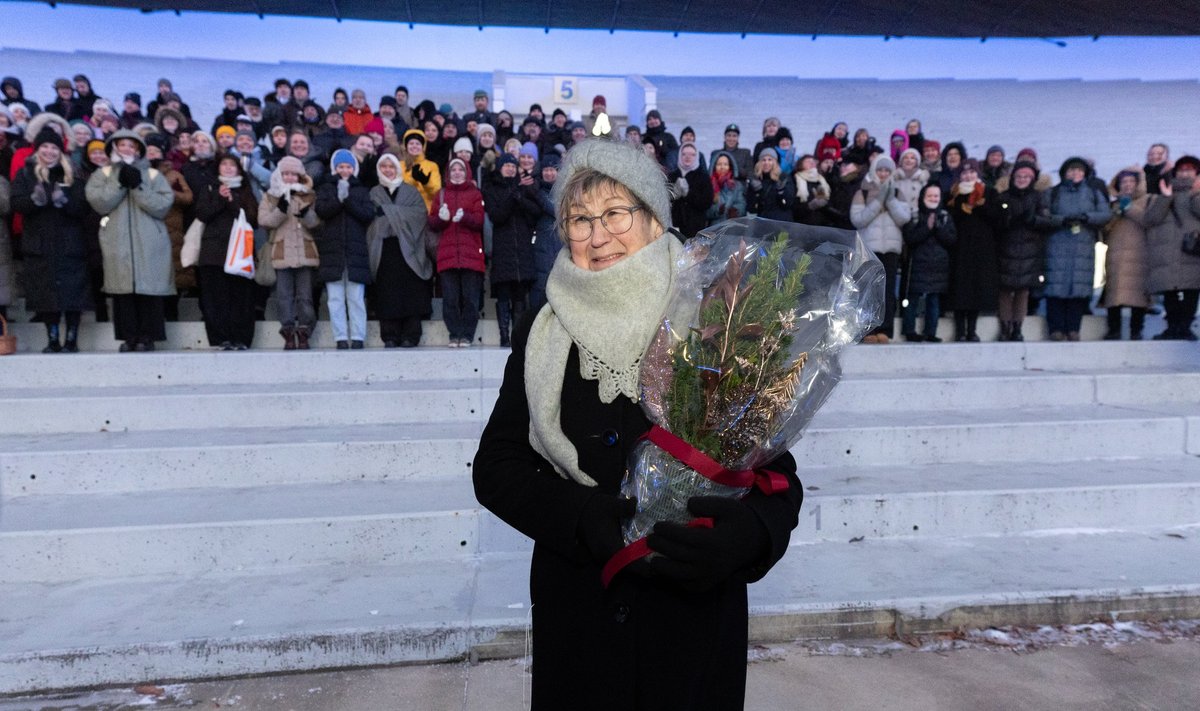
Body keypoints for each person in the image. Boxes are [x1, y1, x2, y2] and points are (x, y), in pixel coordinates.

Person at [472, 139, 802, 710]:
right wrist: (581, 519)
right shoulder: (542, 328)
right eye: (579, 219)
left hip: (692, 620)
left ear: (653, 221)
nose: (598, 236)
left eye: (616, 213)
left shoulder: (715, 314)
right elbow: (496, 468)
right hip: (582, 615)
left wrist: (747, 538)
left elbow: (778, 474)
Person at [85, 130, 175, 351]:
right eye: (121, 145)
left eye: (131, 146)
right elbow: (100, 203)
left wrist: (138, 187)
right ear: (113, 148)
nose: (126, 149)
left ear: (138, 150)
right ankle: (129, 337)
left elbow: (162, 206)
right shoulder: (103, 174)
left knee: (149, 290)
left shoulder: (153, 176)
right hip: (117, 240)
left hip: (150, 241)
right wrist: (119, 183)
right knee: (122, 291)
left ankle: (148, 336)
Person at [12, 127, 92, 352]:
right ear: (38, 150)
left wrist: (65, 201)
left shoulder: (72, 175)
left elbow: (82, 208)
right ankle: (53, 338)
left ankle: (72, 339)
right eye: (45, 147)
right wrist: (34, 201)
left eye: (54, 147)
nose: (49, 151)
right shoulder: (26, 174)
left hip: (69, 243)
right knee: (45, 292)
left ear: (61, 151)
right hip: (39, 243)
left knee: (73, 292)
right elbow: (16, 204)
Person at [1036, 157, 1111, 341]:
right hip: (1057, 244)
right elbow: (1041, 217)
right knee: (1055, 287)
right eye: (1071, 170)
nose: (1075, 174)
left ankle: (1073, 328)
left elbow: (1105, 214)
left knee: (1078, 288)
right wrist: (1060, 220)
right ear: (1064, 173)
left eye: (1079, 171)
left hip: (1082, 247)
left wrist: (1087, 217)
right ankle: (1056, 329)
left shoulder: (1093, 193)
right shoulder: (1053, 193)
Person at [194, 154, 260, 350]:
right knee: (215, 298)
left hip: (240, 252)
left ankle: (241, 338)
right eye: (224, 164)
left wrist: (232, 201)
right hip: (214, 253)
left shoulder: (246, 191)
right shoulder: (209, 188)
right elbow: (202, 214)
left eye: (233, 165)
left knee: (241, 298)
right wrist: (220, 199)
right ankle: (220, 338)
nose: (229, 168)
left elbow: (253, 220)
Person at [367, 154, 432, 348]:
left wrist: (388, 212)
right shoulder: (374, 192)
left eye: (391, 166)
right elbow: (370, 218)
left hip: (409, 249)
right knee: (387, 293)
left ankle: (411, 335)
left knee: (411, 293)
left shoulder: (411, 192)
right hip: (384, 249)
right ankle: (390, 335)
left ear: (397, 168)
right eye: (384, 166)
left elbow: (419, 214)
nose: (388, 170)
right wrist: (396, 214)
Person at [259, 155, 320, 349]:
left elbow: (318, 223)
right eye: (285, 173)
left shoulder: (309, 195)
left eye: (293, 174)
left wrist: (307, 215)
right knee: (284, 295)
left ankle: (304, 332)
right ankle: (287, 331)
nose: (289, 177)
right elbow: (264, 221)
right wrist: (281, 211)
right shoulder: (270, 196)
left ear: (300, 176)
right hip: (282, 250)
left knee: (305, 296)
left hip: (305, 250)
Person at [316, 149, 374, 349]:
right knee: (335, 298)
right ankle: (340, 337)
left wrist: (347, 200)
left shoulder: (361, 190)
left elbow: (367, 214)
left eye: (348, 167)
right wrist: (338, 200)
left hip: (355, 252)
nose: (344, 170)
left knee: (356, 298)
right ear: (334, 168)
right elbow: (322, 211)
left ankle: (358, 336)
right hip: (333, 251)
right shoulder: (326, 188)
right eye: (340, 167)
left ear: (354, 168)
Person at [1138, 154, 1200, 340]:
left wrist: (1196, 193)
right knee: (1170, 293)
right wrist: (1166, 197)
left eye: (1189, 170)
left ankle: (1185, 328)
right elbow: (1149, 219)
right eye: (1181, 170)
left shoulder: (1196, 195)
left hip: (1191, 252)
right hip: (1167, 252)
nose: (1184, 174)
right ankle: (1172, 328)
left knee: (1191, 291)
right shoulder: (1163, 194)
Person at [851, 154, 911, 343]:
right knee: (868, 291)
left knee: (888, 292)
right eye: (880, 169)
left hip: (891, 249)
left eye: (887, 170)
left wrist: (890, 200)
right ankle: (867, 329)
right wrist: (878, 201)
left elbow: (904, 218)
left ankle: (886, 330)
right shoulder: (863, 191)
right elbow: (858, 219)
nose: (883, 174)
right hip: (870, 248)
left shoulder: (898, 191)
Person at [429, 156, 486, 347]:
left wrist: (466, 218)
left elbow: (479, 222)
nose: (457, 172)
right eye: (453, 169)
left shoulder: (475, 194)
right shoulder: (441, 194)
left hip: (471, 255)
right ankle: (454, 334)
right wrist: (442, 218)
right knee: (450, 299)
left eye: (460, 169)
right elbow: (433, 223)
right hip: (448, 255)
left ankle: (467, 335)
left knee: (470, 299)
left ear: (466, 172)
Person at [484, 153, 540, 347]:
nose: (509, 168)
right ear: (499, 168)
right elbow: (497, 216)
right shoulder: (492, 188)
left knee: (520, 296)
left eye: (512, 165)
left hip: (522, 249)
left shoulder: (524, 187)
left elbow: (535, 213)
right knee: (503, 294)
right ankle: (503, 336)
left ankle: (518, 335)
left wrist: (520, 197)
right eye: (506, 165)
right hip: (503, 249)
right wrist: (512, 196)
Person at [946, 158, 1001, 342]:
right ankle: (960, 330)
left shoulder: (988, 193)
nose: (968, 175)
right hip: (959, 248)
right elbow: (952, 218)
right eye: (964, 172)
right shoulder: (953, 194)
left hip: (981, 249)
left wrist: (980, 205)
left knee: (976, 289)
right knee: (960, 289)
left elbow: (996, 219)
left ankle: (972, 329)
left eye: (971, 172)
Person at [995, 161, 1044, 342]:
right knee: (1005, 291)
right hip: (1006, 248)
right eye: (1019, 176)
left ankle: (1017, 327)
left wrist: (1034, 220)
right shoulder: (1004, 198)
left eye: (1026, 177)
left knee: (1023, 291)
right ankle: (1005, 327)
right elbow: (997, 222)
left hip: (1030, 250)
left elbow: (1046, 220)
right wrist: (1008, 220)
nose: (1022, 180)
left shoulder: (1038, 197)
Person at [1102, 168, 1151, 340]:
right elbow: (1105, 228)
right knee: (1114, 294)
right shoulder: (1113, 204)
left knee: (1138, 295)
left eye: (1131, 182)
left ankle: (1136, 330)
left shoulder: (1147, 201)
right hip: (1115, 254)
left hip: (1140, 254)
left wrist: (1129, 208)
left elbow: (1148, 221)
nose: (1128, 185)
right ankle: (1113, 329)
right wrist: (1116, 213)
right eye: (1124, 182)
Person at [902, 184, 955, 342]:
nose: (933, 199)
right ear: (922, 198)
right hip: (917, 264)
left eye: (936, 196)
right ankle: (909, 330)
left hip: (938, 265)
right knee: (912, 299)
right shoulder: (915, 215)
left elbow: (952, 240)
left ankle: (931, 332)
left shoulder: (945, 216)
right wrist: (927, 228)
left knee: (934, 300)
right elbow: (910, 238)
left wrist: (938, 228)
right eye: (929, 196)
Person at [666, 142, 713, 239]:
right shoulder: (672, 176)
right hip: (674, 225)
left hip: (695, 227)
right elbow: (664, 200)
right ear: (679, 155)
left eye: (692, 154)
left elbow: (707, 202)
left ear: (697, 156)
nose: (687, 157)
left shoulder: (703, 177)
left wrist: (688, 194)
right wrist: (673, 194)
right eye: (684, 154)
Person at [746, 148, 795, 222]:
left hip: (782, 223)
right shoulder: (755, 180)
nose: (766, 163)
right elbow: (751, 208)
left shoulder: (783, 177)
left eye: (770, 159)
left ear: (775, 162)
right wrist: (756, 193)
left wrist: (781, 192)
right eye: (763, 160)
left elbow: (788, 204)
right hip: (762, 223)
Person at [400, 128, 441, 210]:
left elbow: (437, 193)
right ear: (406, 146)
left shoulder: (432, 166)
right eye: (411, 143)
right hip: (403, 209)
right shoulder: (399, 165)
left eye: (418, 144)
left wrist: (426, 183)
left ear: (423, 147)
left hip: (425, 210)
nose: (414, 146)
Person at [706, 151, 746, 227]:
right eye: (719, 164)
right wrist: (718, 210)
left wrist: (736, 210)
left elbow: (742, 203)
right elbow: (705, 210)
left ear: (730, 166)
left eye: (725, 164)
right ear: (714, 166)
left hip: (733, 228)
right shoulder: (708, 185)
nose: (722, 167)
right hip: (712, 229)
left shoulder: (737, 185)